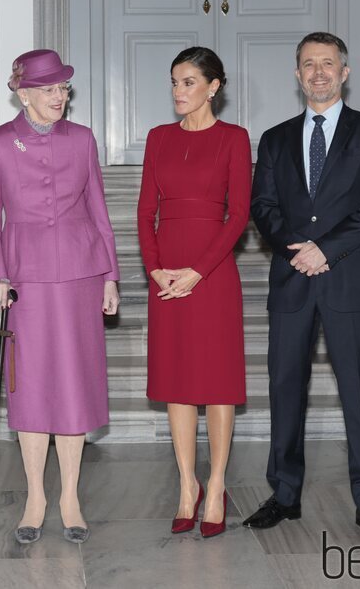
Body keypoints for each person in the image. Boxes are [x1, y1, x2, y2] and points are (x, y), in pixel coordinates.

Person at [244, 32, 360, 541]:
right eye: (308, 64)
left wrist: (325, 249)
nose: (318, 72)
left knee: (358, 393)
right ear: (297, 75)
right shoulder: (274, 138)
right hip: (291, 280)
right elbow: (262, 206)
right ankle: (284, 495)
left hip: (349, 282)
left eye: (327, 63)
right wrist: (297, 246)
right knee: (285, 389)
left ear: (344, 72)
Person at [0, 49, 120, 545]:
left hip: (81, 277)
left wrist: (110, 275)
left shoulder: (82, 139)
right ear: (23, 93)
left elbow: (100, 212)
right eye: (49, 89)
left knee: (75, 384)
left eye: (63, 88)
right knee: (32, 386)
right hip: (26, 281)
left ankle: (71, 497)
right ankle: (36, 495)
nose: (60, 96)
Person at [136, 47, 251, 539]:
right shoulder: (158, 138)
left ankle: (218, 484)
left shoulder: (235, 139)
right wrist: (155, 269)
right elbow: (145, 212)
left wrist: (198, 272)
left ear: (213, 86)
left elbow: (240, 215)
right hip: (165, 276)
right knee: (178, 383)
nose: (179, 92)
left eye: (188, 82)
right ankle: (188, 486)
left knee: (218, 384)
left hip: (214, 273)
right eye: (174, 82)